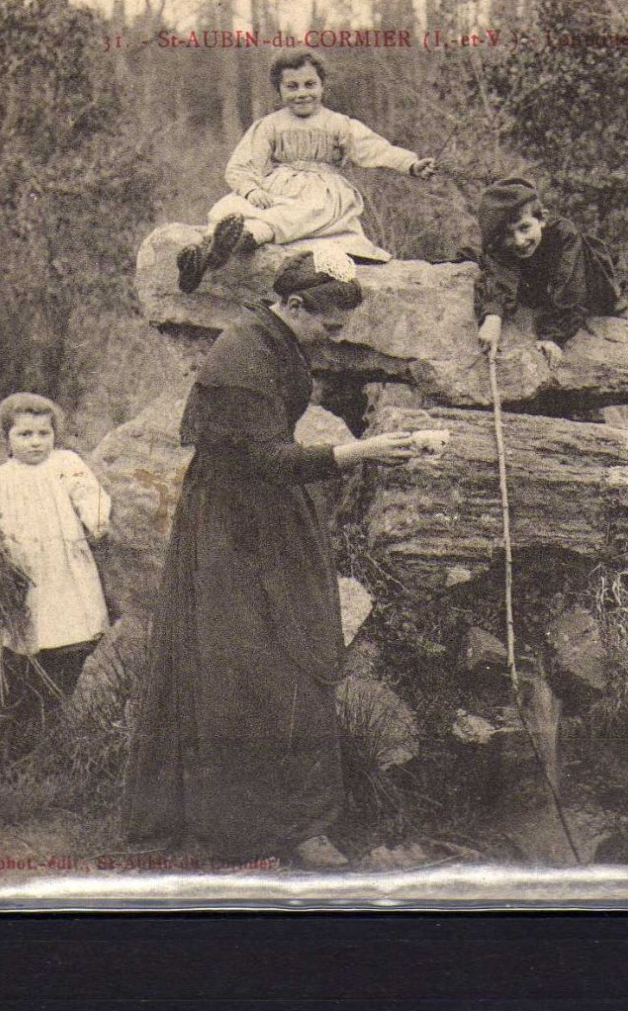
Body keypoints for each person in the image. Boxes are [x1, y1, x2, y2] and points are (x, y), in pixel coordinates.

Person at [123, 263, 433, 868]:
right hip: (232, 529)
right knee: (247, 666)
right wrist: (362, 451)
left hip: (263, 517)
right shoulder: (240, 357)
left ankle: (295, 821)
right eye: (329, 322)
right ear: (292, 304)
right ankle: (251, 827)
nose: (335, 336)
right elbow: (261, 458)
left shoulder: (270, 341)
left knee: (286, 658)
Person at [177, 50, 438, 292]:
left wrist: (411, 164)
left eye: (309, 85)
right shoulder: (269, 125)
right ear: (278, 91)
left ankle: (244, 239)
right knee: (234, 206)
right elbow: (241, 165)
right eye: (291, 87)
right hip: (278, 184)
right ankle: (207, 252)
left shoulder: (338, 124)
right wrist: (252, 189)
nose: (302, 93)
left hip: (321, 192)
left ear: (322, 86)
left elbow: (376, 149)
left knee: (296, 214)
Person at [0, 393, 112, 735]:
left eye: (43, 433)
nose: (36, 443)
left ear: (54, 435)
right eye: (25, 434)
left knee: (70, 623)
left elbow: (88, 492)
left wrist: (96, 520)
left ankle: (67, 697)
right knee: (29, 632)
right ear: (7, 438)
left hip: (62, 561)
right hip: (24, 569)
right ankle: (29, 714)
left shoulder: (65, 463)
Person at [472, 177, 628, 369]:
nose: (519, 241)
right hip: (539, 284)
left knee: (598, 293)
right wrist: (493, 316)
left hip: (581, 280)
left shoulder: (564, 236)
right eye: (507, 234)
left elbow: (571, 287)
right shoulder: (501, 248)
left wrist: (552, 336)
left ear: (542, 219)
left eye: (524, 228)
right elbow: (498, 276)